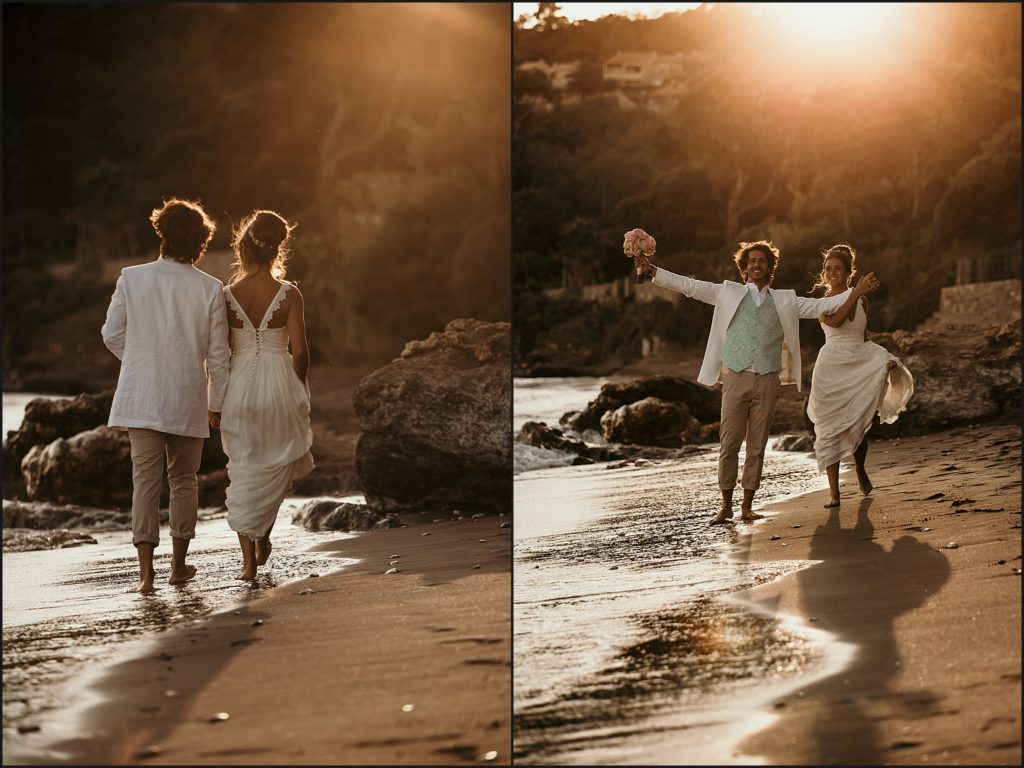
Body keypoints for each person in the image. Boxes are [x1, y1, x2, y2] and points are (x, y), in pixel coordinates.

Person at [633, 239, 879, 524]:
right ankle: (725, 507)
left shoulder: (785, 299)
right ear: (744, 268)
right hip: (735, 377)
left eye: (762, 261)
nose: (757, 266)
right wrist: (652, 271)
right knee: (729, 444)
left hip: (768, 380)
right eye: (752, 262)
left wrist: (856, 291)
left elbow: (821, 305)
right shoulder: (728, 292)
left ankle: (747, 506)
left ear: (770, 267)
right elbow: (690, 287)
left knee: (757, 447)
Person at [102, 198, 231, 593]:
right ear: (201, 242)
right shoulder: (211, 289)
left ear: (161, 231)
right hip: (187, 397)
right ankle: (177, 567)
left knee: (144, 483)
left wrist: (142, 359)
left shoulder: (132, 277)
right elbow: (219, 356)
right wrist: (217, 404)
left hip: (140, 397)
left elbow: (111, 335)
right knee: (184, 481)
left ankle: (145, 575)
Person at [215, 209, 314, 581]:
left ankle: (247, 561)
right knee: (275, 463)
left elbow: (219, 352)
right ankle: (263, 538)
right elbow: (301, 352)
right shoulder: (290, 294)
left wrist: (216, 396)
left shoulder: (226, 295)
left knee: (243, 468)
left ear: (244, 247)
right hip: (280, 383)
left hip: (239, 385)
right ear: (277, 250)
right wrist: (297, 385)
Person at [806, 244, 913, 507]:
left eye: (838, 269)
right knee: (827, 428)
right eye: (828, 269)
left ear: (847, 272)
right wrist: (856, 293)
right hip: (831, 367)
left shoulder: (863, 298)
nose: (832, 273)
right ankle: (834, 493)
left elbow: (863, 336)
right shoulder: (824, 302)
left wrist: (880, 362)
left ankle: (860, 468)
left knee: (857, 425)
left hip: (857, 360)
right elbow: (836, 322)